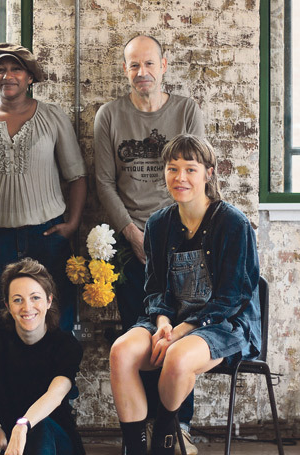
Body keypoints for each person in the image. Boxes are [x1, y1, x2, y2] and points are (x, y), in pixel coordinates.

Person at [109, 134, 261, 455]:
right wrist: (163, 321)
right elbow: (155, 289)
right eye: (172, 169)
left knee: (177, 359)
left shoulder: (234, 224)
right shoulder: (158, 224)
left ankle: (164, 441)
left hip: (223, 325)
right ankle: (136, 448)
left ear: (208, 173)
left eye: (190, 169)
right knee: (121, 352)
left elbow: (234, 297)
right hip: (170, 321)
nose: (180, 178)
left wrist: (180, 332)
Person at [94, 34, 205, 453]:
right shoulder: (110, 115)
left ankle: (179, 426)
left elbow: (193, 175)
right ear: (125, 70)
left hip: (182, 241)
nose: (142, 73)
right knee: (138, 336)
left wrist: (174, 235)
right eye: (134, 65)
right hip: (130, 242)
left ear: (164, 65)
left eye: (149, 64)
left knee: (179, 337)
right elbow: (103, 181)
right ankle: (139, 430)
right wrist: (130, 232)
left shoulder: (186, 110)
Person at [0, 43, 87, 357]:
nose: (7, 75)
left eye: (16, 69)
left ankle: (56, 405)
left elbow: (77, 176)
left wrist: (73, 224)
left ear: (29, 77)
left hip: (46, 239)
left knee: (55, 326)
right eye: (1, 69)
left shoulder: (52, 117)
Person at [0, 258, 85, 455]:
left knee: (40, 424)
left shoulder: (66, 345)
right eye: (17, 299)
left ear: (49, 301)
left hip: (51, 439)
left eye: (35, 298)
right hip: (2, 438)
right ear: (7, 305)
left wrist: (23, 426)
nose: (27, 307)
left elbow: (55, 395)